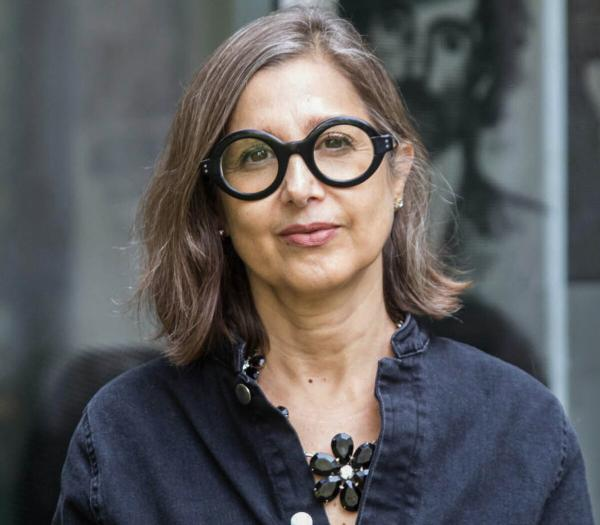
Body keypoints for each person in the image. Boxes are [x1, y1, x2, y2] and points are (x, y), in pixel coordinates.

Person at [52, 7, 593, 524]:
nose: (300, 188)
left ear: (397, 174)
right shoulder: (127, 437)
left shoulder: (519, 429)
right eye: (255, 155)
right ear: (216, 206)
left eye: (334, 143)